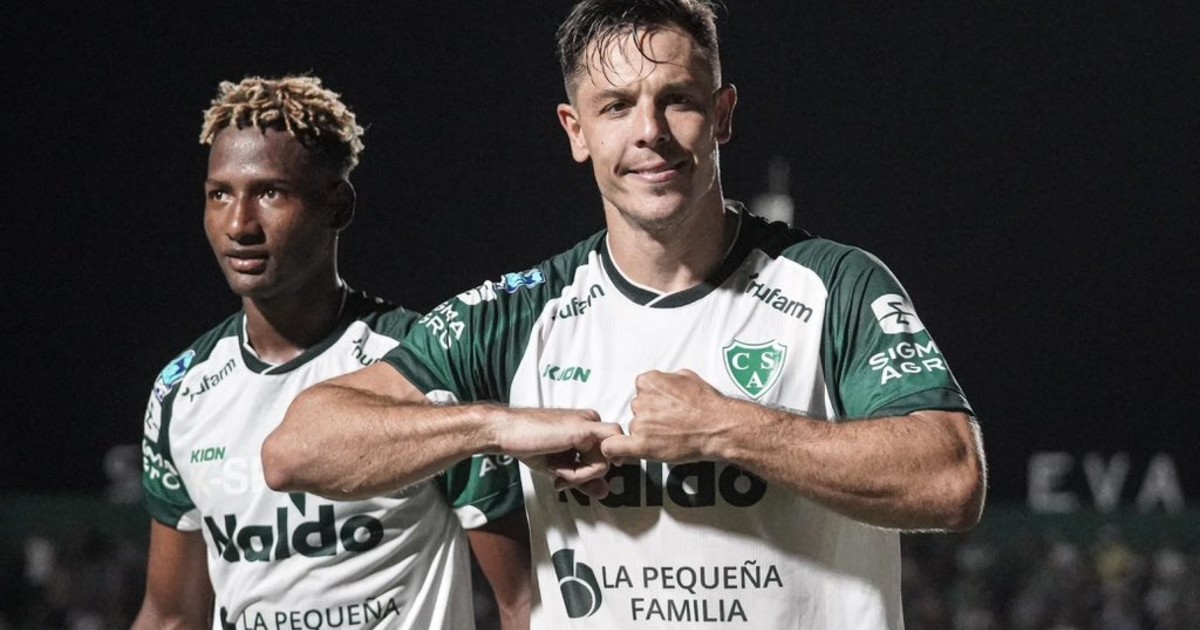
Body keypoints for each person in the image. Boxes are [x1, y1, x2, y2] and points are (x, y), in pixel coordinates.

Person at [263, 1, 987, 627]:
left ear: (723, 115)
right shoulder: (521, 313)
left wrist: (727, 428)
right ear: (576, 130)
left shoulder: (835, 284)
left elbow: (952, 478)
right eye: (615, 106)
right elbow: (297, 448)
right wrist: (495, 426)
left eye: (678, 99)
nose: (650, 132)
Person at [132, 75, 529, 630]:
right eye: (219, 194)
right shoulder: (181, 391)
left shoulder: (423, 365)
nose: (239, 224)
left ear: (337, 205)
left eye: (270, 193)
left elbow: (524, 599)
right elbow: (171, 616)